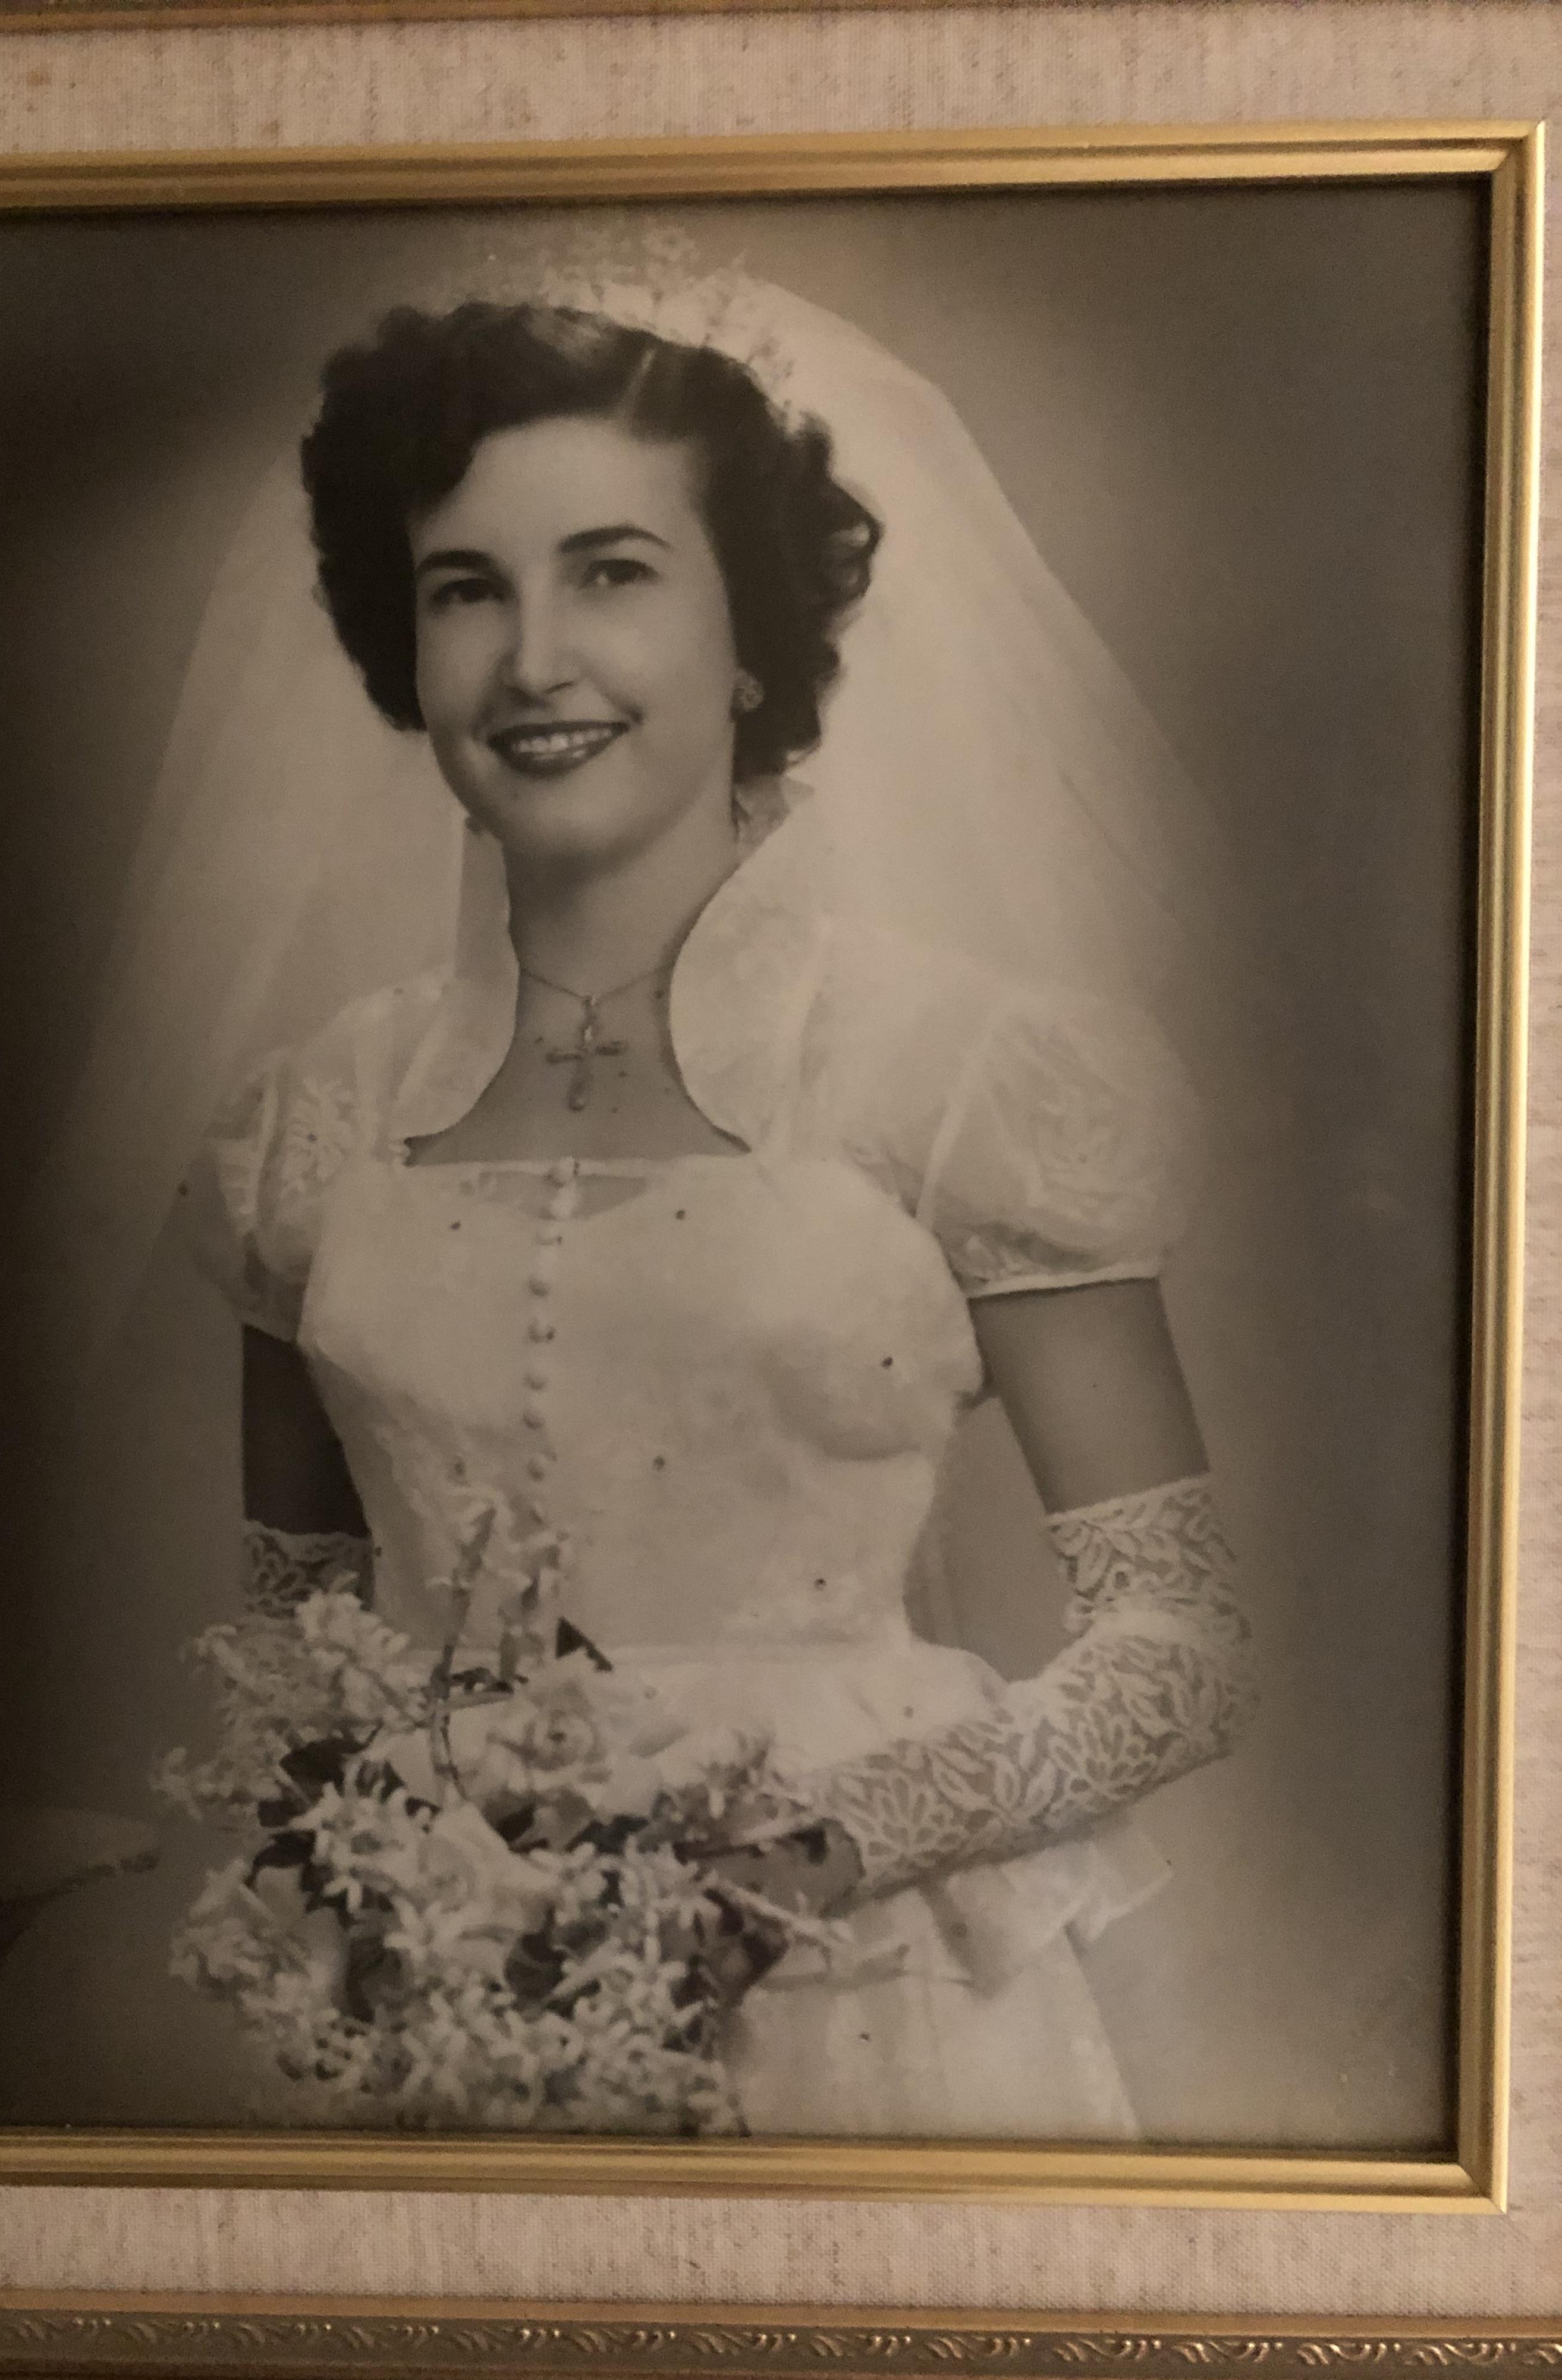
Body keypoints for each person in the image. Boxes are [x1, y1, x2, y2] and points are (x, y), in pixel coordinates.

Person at [173, 292, 1258, 2139]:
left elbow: (1180, 1646)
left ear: (745, 631)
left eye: (610, 575)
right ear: (399, 641)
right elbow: (296, 1634)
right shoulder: (320, 1125)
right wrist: (402, 1865)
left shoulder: (961, 1074)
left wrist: (838, 1842)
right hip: (449, 2008)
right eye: (464, 590)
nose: (533, 661)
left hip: (886, 2001)